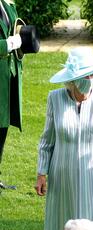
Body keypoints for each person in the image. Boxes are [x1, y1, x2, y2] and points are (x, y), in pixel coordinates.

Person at [35, 47, 93, 230]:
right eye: (85, 75)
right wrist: (41, 173)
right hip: (63, 171)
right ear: (73, 79)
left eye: (92, 74)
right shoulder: (55, 98)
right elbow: (47, 140)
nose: (90, 79)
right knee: (67, 220)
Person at [0, 0, 39, 191]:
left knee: (2, 129)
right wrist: (5, 45)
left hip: (8, 79)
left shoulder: (7, 6)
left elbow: (17, 29)